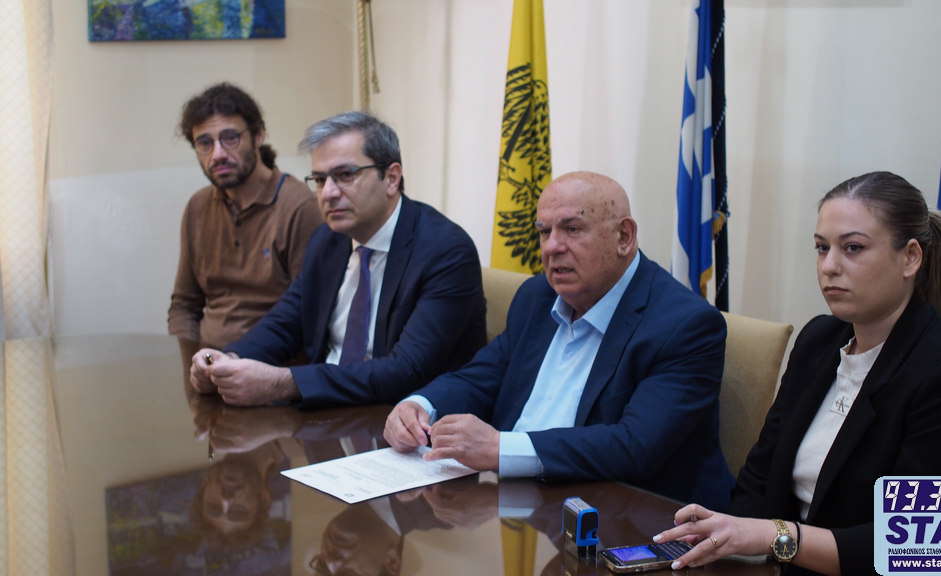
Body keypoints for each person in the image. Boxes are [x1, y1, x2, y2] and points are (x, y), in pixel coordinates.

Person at [653, 172, 941, 575]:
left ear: (910, 258)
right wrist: (729, 543)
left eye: (853, 248)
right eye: (822, 248)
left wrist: (776, 536)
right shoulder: (819, 340)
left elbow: (917, 545)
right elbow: (759, 478)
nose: (830, 267)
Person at [384, 171, 733, 508]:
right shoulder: (536, 296)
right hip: (518, 504)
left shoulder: (684, 325)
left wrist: (500, 448)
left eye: (572, 229)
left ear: (624, 237)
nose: (551, 247)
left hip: (625, 518)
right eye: (544, 231)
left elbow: (634, 446)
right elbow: (481, 378)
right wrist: (420, 405)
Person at [189, 111, 487, 408]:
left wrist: (282, 383)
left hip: (404, 418)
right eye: (320, 180)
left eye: (345, 175)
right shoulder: (328, 240)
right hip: (329, 410)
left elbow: (406, 370)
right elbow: (285, 323)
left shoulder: (445, 251)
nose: (328, 193)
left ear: (391, 178)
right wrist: (227, 360)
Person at [169, 83, 324, 349]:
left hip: (272, 363)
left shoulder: (300, 207)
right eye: (205, 143)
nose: (218, 154)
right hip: (210, 361)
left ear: (258, 135)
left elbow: (310, 313)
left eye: (230, 138)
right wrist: (195, 363)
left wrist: (239, 363)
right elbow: (184, 306)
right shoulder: (197, 207)